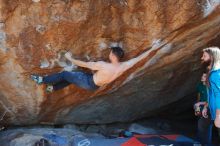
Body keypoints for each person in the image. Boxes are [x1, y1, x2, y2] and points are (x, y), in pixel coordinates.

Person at [31, 46, 150, 92]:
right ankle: (53, 88)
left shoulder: (103, 65)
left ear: (113, 55)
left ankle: (42, 80)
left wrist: (70, 58)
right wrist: (153, 48)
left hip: (88, 82)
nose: (109, 54)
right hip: (94, 86)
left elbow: (84, 64)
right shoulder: (124, 66)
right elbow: (138, 58)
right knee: (73, 77)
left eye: (110, 53)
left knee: (65, 74)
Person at [201, 47, 220, 140]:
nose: (202, 58)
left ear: (212, 57)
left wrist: (218, 114)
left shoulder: (216, 73)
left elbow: (218, 93)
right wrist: (206, 106)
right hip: (213, 109)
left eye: (204, 56)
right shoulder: (212, 72)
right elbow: (211, 93)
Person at [194, 73, 213, 144]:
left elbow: (210, 100)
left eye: (204, 76)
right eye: (202, 75)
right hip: (202, 105)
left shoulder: (210, 86)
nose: (202, 77)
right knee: (201, 124)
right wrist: (198, 105)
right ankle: (200, 142)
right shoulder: (199, 85)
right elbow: (198, 97)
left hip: (210, 106)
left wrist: (201, 104)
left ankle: (206, 143)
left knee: (207, 126)